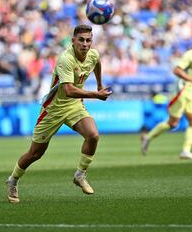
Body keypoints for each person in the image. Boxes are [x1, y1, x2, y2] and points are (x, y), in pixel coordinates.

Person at [6, 24, 112, 203]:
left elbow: (97, 63)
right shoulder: (65, 59)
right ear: (73, 41)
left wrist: (100, 83)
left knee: (93, 135)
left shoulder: (93, 54)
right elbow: (69, 90)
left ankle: (80, 175)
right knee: (35, 153)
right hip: (53, 109)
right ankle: (13, 180)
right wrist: (96, 93)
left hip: (73, 106)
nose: (85, 44)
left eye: (88, 40)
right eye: (81, 40)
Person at [141, 33, 192, 160]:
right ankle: (148, 137)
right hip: (181, 91)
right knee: (173, 123)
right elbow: (177, 70)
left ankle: (186, 151)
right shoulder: (190, 55)